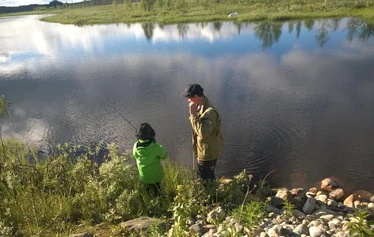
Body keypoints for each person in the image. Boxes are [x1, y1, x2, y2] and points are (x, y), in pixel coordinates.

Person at [181, 83, 223, 182]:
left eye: (189, 98)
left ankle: (211, 195)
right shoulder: (200, 105)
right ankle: (211, 193)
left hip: (208, 153)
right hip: (203, 149)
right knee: (205, 175)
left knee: (205, 178)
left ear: (196, 97)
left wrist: (193, 114)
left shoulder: (210, 112)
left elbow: (203, 132)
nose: (188, 101)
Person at [133, 123, 168, 195]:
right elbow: (165, 155)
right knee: (157, 191)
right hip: (156, 178)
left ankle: (149, 198)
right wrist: (157, 145)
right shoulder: (156, 147)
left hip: (144, 177)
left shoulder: (135, 146)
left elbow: (134, 155)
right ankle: (158, 199)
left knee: (147, 190)